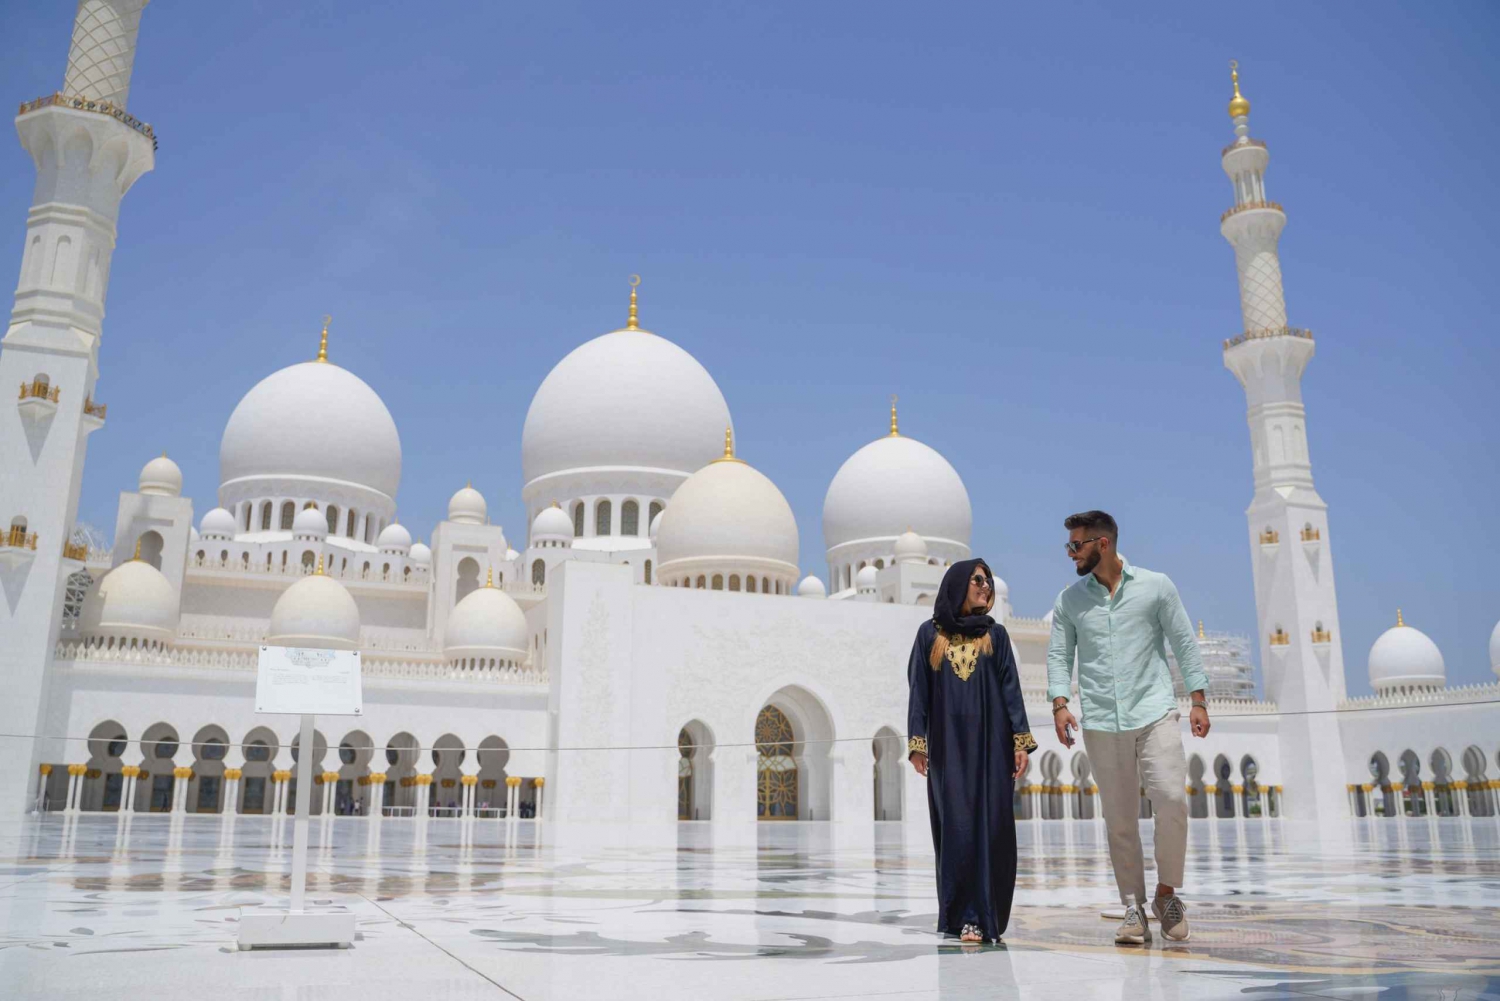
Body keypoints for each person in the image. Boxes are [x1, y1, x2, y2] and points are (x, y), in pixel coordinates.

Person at [1046, 511, 1210, 945]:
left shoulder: (1156, 586)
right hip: (1101, 719)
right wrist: (1060, 704)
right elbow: (1060, 657)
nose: (1070, 554)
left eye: (1075, 546)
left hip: (1154, 710)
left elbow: (1182, 642)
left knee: (1172, 800)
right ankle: (1132, 907)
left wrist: (1198, 697)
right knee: (1119, 819)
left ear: (1102, 544)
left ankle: (1166, 893)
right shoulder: (1070, 601)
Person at [907, 558, 1036, 944]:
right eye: (978, 580)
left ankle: (986, 914)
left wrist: (1020, 741)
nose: (985, 587)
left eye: (989, 582)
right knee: (958, 829)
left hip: (991, 748)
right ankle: (963, 915)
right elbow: (919, 692)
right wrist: (917, 742)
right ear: (958, 583)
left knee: (992, 828)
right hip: (949, 751)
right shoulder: (929, 636)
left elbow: (1011, 691)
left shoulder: (995, 635)